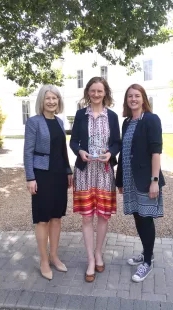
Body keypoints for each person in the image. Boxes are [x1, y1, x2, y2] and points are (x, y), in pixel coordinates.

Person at [70, 77, 121, 282]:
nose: (96, 94)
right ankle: (90, 259)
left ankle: (99, 252)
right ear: (88, 92)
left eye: (100, 91)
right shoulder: (81, 115)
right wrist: (80, 151)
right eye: (93, 91)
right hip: (84, 171)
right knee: (86, 217)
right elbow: (73, 141)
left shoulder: (113, 116)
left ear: (105, 93)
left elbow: (117, 142)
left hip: (104, 170)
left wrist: (111, 153)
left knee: (103, 215)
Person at [116, 83, 165, 283]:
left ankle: (147, 262)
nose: (133, 99)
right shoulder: (126, 122)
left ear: (143, 98)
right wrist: (119, 180)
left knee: (146, 218)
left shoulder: (151, 120)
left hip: (146, 179)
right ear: (126, 100)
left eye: (137, 95)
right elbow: (124, 153)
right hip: (129, 179)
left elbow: (156, 153)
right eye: (130, 96)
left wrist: (154, 181)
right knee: (137, 216)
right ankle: (147, 252)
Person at [24, 85, 73, 281]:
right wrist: (30, 178)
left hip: (59, 175)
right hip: (42, 175)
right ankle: (44, 260)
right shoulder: (34, 122)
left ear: (58, 101)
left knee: (56, 217)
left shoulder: (60, 122)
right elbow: (28, 151)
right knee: (42, 218)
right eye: (48, 98)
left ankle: (54, 256)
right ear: (41, 101)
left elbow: (62, 150)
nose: (52, 101)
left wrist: (68, 171)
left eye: (55, 98)